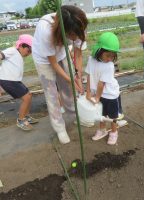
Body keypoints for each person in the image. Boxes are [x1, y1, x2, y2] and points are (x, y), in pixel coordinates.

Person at [32, 5, 88, 144]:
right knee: (52, 94)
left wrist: (78, 76)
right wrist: (71, 80)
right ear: (62, 32)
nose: (75, 38)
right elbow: (53, 63)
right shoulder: (46, 30)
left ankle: (74, 115)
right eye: (72, 36)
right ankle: (59, 128)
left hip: (62, 54)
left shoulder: (79, 24)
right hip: (44, 60)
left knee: (69, 90)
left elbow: (78, 54)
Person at [85, 32, 122, 145]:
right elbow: (89, 75)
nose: (110, 58)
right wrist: (88, 92)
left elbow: (101, 84)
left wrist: (96, 97)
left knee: (112, 116)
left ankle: (114, 132)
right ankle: (102, 130)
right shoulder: (91, 59)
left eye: (113, 56)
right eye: (108, 55)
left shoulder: (109, 66)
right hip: (99, 93)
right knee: (101, 114)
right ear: (99, 51)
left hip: (110, 95)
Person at [0, 34, 39, 131]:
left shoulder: (18, 54)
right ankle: (21, 120)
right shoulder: (12, 50)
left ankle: (25, 116)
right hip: (7, 80)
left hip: (14, 81)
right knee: (26, 97)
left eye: (31, 52)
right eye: (28, 50)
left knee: (29, 95)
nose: (29, 53)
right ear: (21, 46)